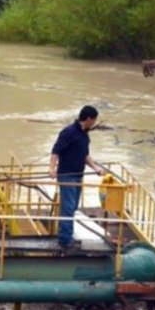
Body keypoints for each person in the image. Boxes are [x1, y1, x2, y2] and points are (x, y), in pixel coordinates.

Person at [49, 105, 105, 251]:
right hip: (67, 175)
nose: (95, 123)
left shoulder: (84, 135)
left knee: (73, 207)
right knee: (67, 207)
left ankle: (69, 236)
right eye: (94, 120)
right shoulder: (68, 132)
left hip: (78, 175)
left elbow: (85, 155)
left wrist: (96, 168)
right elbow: (56, 151)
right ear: (88, 119)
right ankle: (65, 240)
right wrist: (52, 168)